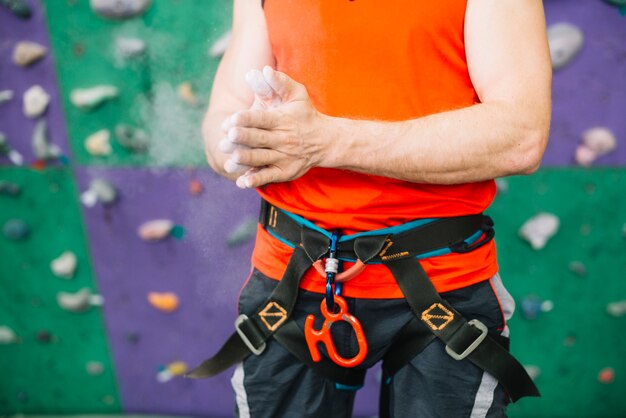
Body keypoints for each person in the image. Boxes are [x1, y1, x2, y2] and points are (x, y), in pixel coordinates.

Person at [193, 0, 552, 417]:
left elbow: (521, 135)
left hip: (442, 283)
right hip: (291, 280)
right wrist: (241, 142)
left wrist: (326, 141)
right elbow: (225, 113)